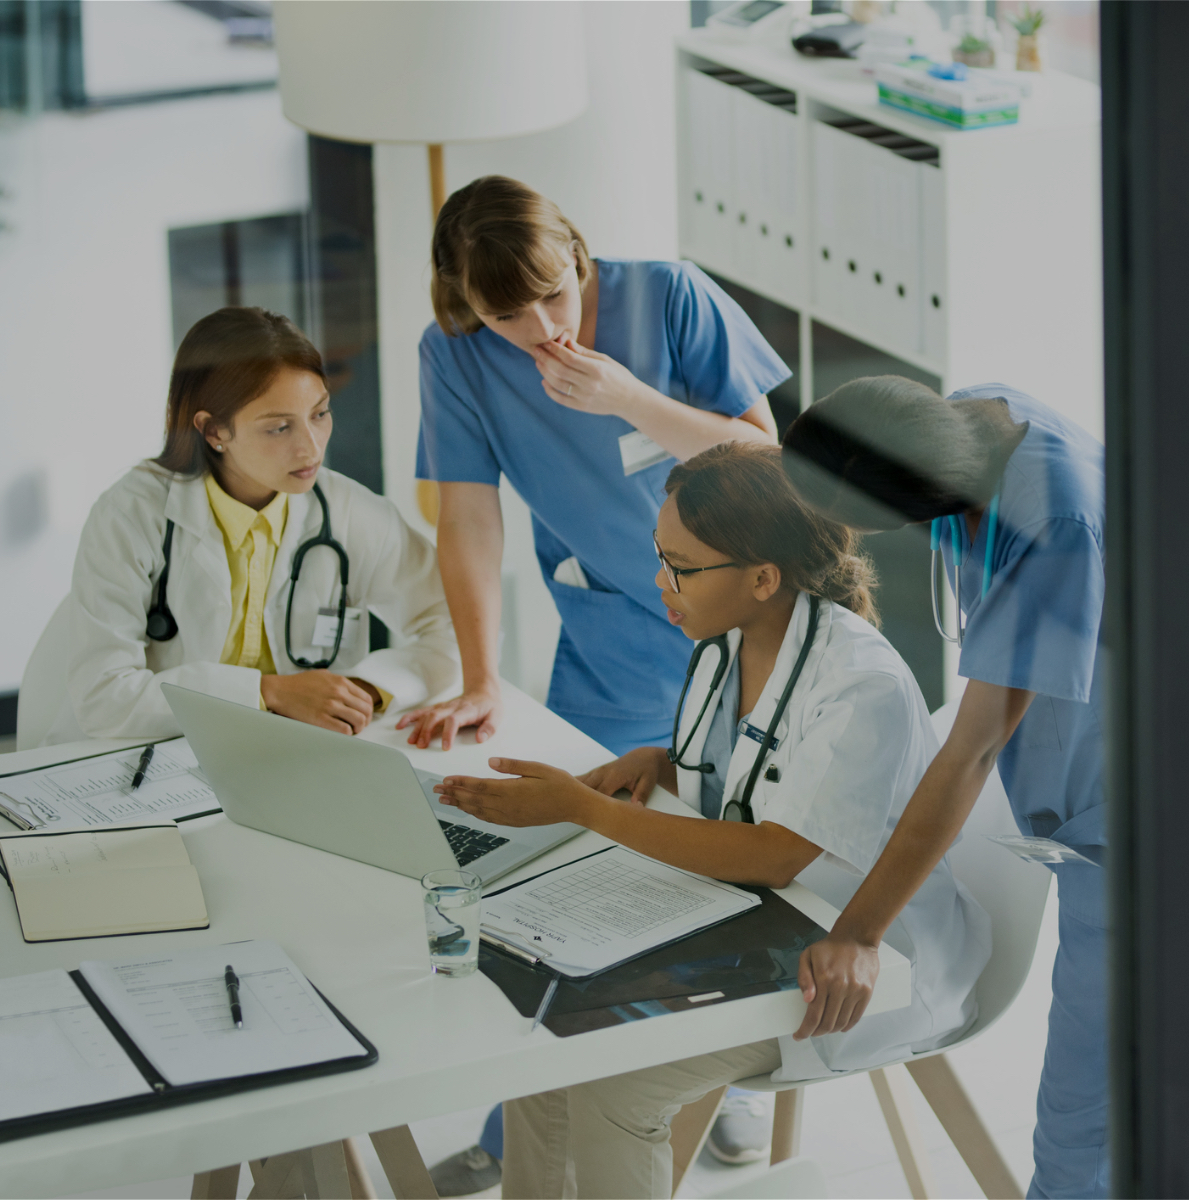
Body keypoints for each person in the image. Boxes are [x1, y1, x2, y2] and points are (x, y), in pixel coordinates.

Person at [432, 442, 990, 1199]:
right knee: (542, 1055)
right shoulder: (728, 642)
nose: (661, 583)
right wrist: (662, 761)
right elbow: (753, 768)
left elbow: (772, 854)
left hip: (849, 960)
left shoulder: (860, 684)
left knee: (611, 1090)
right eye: (661, 557)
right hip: (740, 924)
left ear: (763, 579)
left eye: (683, 569)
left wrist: (582, 809)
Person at [778, 377, 1189, 1199]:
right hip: (1133, 774)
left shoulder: (1053, 520)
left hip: (1147, 812)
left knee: (1089, 1111)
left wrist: (861, 931)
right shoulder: (976, 415)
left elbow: (974, 751)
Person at [400, 176, 789, 1193]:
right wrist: (481, 676)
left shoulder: (670, 298)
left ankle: (726, 1078)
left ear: (579, 256)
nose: (541, 332)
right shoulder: (456, 358)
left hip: (740, 625)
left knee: (720, 853)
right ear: (465, 306)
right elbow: (470, 518)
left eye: (556, 299)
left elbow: (768, 462)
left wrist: (628, 399)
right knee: (560, 861)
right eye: (505, 317)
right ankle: (532, 1099)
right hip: (611, 626)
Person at [53, 307, 458, 744]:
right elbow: (104, 698)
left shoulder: (348, 512)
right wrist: (269, 693)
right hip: (151, 762)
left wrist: (363, 689)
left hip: (292, 758)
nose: (311, 447)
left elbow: (458, 625)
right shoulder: (132, 515)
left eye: (320, 413)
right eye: (279, 427)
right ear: (213, 431)